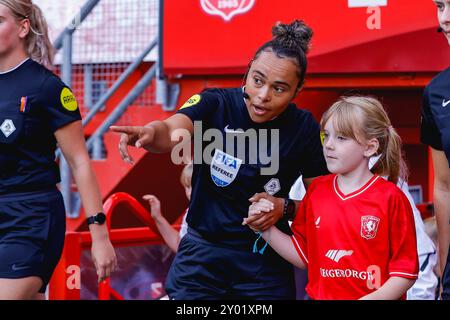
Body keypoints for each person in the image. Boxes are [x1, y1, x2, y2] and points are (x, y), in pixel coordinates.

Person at [111, 20, 328, 299]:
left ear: (298, 90)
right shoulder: (215, 103)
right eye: (258, 80)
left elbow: (324, 203)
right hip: (201, 258)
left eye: (279, 88)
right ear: (248, 71)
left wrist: (284, 208)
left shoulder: (304, 128)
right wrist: (150, 132)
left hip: (262, 263)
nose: (263, 96)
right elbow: (170, 131)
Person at [245, 96, 419, 300]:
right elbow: (305, 256)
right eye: (325, 136)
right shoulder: (317, 191)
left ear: (370, 147)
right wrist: (264, 228)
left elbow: (405, 273)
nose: (328, 145)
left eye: (341, 138)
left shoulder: (391, 198)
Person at [0, 0, 117, 300]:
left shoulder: (48, 88)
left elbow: (79, 162)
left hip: (31, 217)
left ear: (23, 27)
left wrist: (99, 236)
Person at [420, 0, 450, 299]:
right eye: (440, 5)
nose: (446, 18)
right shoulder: (437, 92)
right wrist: (444, 264)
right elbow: (444, 188)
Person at [143, 163, 193, 253]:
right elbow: (180, 246)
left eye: (195, 185)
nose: (190, 193)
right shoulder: (190, 213)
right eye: (187, 186)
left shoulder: (219, 211)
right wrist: (157, 217)